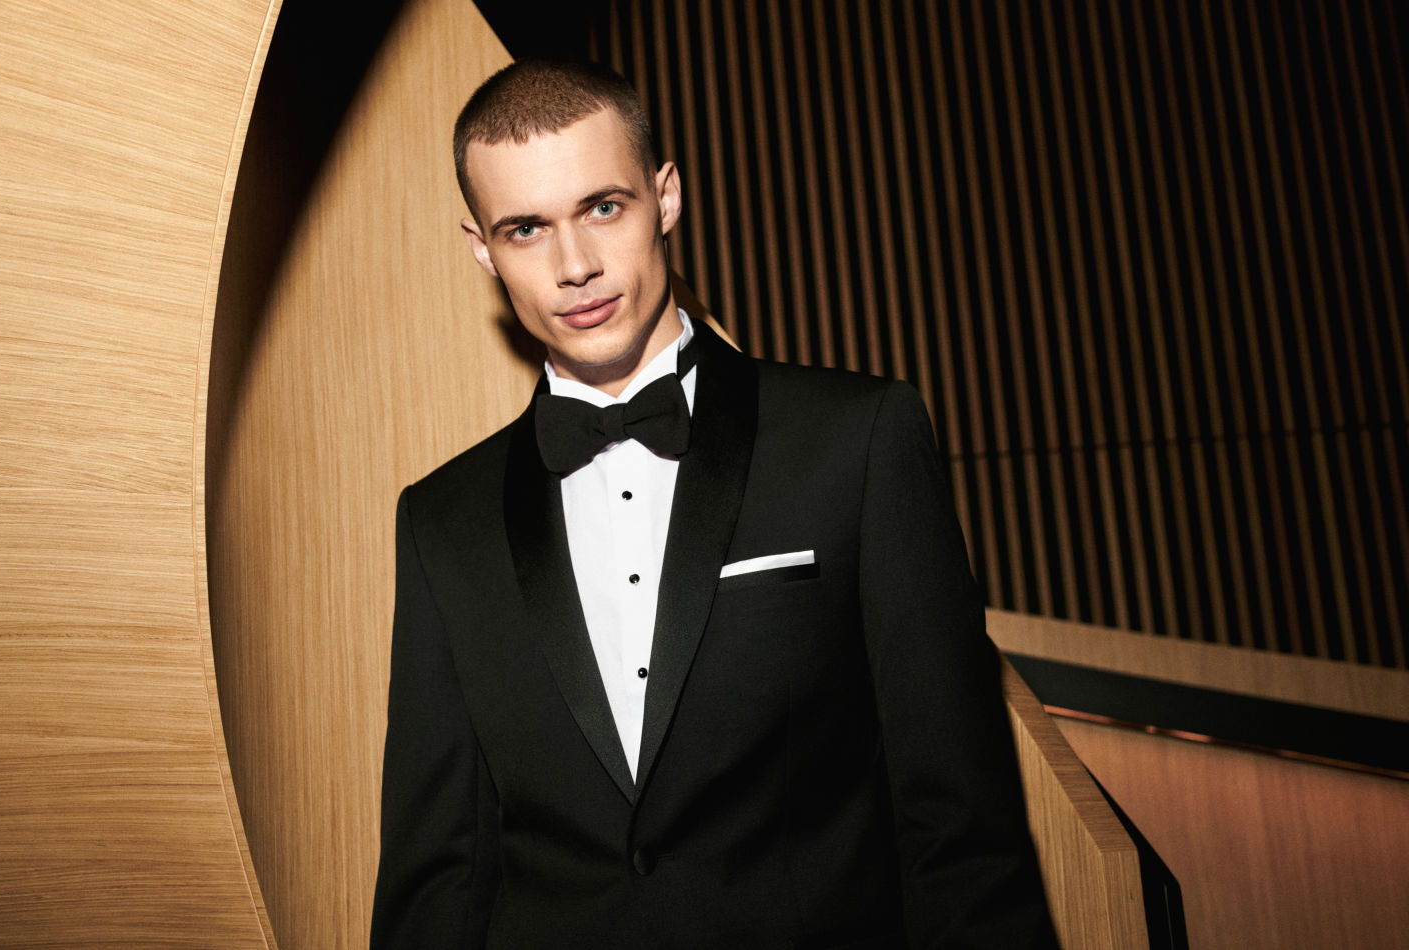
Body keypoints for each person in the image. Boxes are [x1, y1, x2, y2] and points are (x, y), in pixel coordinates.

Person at [370, 58, 1056, 949]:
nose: (575, 266)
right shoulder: (441, 521)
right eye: (527, 229)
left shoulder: (856, 442)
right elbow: (439, 880)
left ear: (666, 197)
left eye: (603, 208)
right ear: (481, 248)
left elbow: (961, 831)